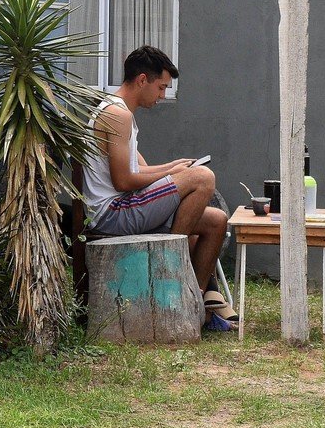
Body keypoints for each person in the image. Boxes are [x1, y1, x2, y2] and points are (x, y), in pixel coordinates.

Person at [81, 45, 234, 329]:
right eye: (161, 87)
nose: (162, 96)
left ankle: (195, 299)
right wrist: (178, 175)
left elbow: (139, 170)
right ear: (142, 80)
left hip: (125, 207)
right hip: (113, 213)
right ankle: (171, 270)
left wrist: (173, 167)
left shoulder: (120, 111)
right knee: (203, 178)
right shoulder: (117, 115)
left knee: (216, 220)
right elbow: (124, 181)